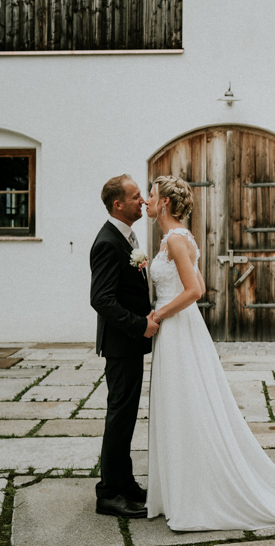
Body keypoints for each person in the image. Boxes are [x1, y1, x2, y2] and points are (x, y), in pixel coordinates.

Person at [144, 175, 275, 531]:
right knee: (184, 402)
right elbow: (200, 284)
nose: (146, 200)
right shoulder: (176, 239)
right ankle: (181, 487)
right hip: (180, 329)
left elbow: (194, 291)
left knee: (185, 402)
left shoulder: (175, 239)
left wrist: (158, 313)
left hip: (174, 327)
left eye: (152, 195)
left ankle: (195, 495)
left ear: (165, 204)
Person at [90, 174, 158, 519]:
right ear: (118, 204)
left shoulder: (126, 237)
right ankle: (108, 493)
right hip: (121, 344)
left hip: (128, 344)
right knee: (119, 415)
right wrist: (140, 325)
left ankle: (125, 481)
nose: (143, 201)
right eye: (135, 197)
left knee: (126, 415)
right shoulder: (107, 242)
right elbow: (100, 299)